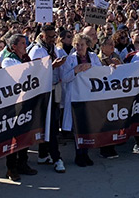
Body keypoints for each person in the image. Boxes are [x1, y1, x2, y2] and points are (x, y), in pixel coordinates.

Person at [0, 33, 39, 181]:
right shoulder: (9, 61)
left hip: (26, 100)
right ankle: (11, 167)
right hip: (14, 103)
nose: (25, 45)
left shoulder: (24, 58)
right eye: (22, 43)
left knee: (25, 133)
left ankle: (23, 162)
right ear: (14, 46)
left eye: (26, 42)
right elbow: (21, 75)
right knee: (14, 135)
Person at [28, 25, 67, 174]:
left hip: (54, 88)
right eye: (49, 37)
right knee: (51, 126)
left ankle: (43, 154)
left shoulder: (54, 49)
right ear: (42, 36)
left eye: (54, 36)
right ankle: (57, 158)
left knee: (51, 122)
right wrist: (52, 65)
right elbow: (34, 72)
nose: (52, 39)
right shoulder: (37, 51)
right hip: (43, 93)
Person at [60, 32, 102, 166]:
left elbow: (101, 72)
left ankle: (86, 154)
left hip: (89, 96)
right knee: (78, 127)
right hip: (75, 97)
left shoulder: (93, 57)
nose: (79, 47)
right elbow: (64, 78)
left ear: (87, 45)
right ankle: (79, 155)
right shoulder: (69, 59)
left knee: (88, 126)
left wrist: (91, 67)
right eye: (77, 45)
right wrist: (75, 71)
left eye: (82, 45)